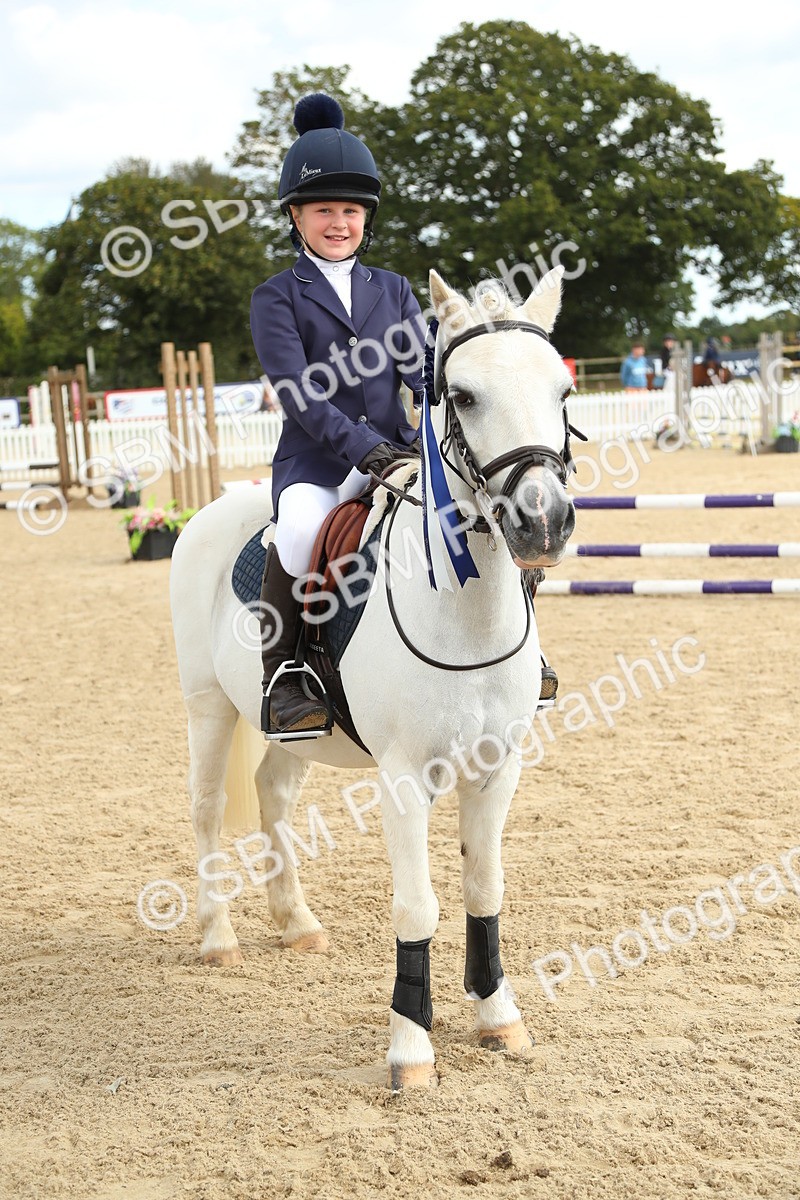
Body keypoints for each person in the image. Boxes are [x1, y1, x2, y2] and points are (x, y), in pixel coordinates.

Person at [250, 93, 424, 735]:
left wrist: (440, 389)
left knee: (478, 511)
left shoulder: (396, 289)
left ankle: (518, 654)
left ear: (365, 216)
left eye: (350, 210)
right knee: (297, 534)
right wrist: (361, 448)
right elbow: (298, 391)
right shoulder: (275, 298)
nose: (339, 221)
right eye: (324, 209)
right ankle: (286, 675)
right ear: (297, 216)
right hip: (320, 462)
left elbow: (419, 370)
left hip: (400, 453)